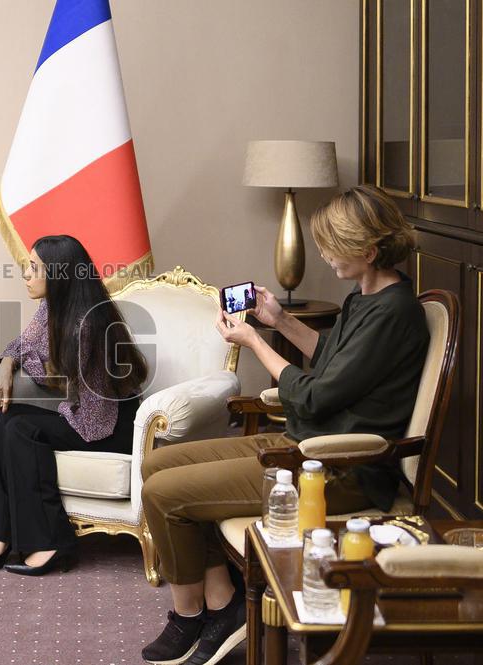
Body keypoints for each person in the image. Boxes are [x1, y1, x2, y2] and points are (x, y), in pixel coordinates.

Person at [139, 185, 428, 665]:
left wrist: (254, 341)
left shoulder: (395, 313)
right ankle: (223, 604)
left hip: (340, 467)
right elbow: (333, 361)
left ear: (369, 251)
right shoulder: (366, 298)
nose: (324, 254)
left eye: (332, 245)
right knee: (158, 463)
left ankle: (190, 616)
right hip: (308, 442)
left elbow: (314, 392)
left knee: (165, 494)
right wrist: (277, 320)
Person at [0, 235, 148, 576]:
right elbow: (21, 344)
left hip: (106, 423)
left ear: (59, 274)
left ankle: (49, 542)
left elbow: (52, 376)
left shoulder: (88, 322)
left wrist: (14, 365)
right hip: (75, 409)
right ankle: (1, 537)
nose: (26, 274)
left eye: (34, 268)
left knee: (19, 428)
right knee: (9, 420)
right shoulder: (51, 306)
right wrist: (7, 364)